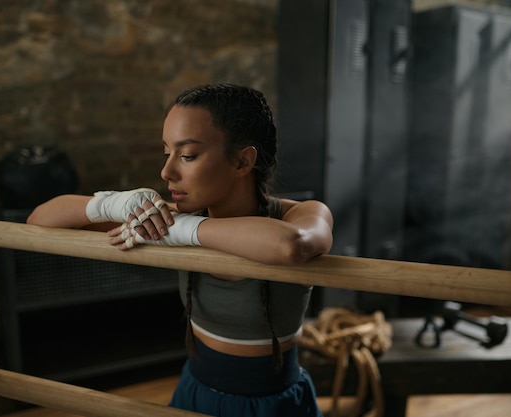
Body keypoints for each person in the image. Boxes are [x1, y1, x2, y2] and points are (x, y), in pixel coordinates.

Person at [27, 83, 334, 417]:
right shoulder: (171, 220)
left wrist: (180, 230)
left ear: (243, 160)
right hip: (195, 393)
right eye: (166, 153)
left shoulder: (298, 215)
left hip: (275, 406)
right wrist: (113, 203)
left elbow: (292, 245)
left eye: (187, 155)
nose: (166, 171)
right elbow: (39, 222)